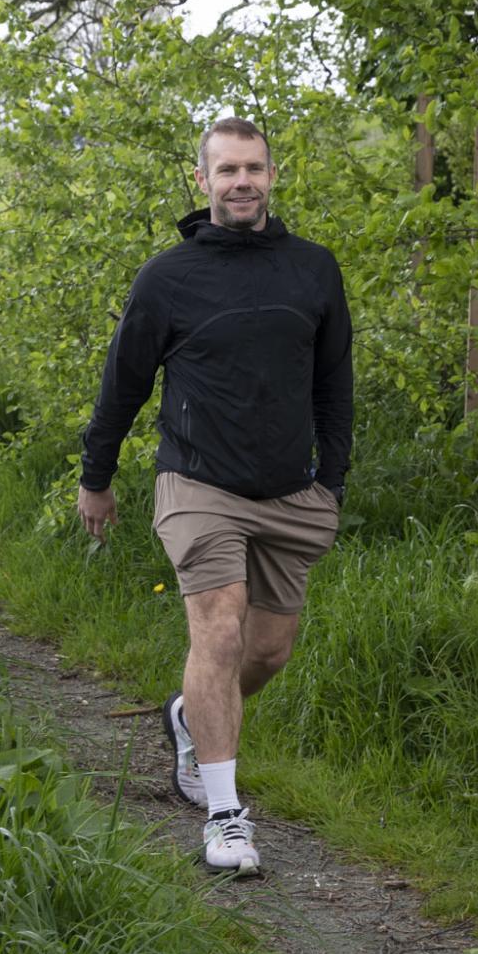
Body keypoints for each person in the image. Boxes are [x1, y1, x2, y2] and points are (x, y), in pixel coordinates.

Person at [75, 115, 353, 876]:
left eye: (254, 169)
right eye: (226, 170)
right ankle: (225, 818)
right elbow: (123, 385)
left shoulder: (314, 269)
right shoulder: (168, 278)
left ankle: (186, 721)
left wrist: (331, 482)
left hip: (291, 491)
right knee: (220, 633)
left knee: (268, 651)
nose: (241, 183)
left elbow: (335, 384)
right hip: (197, 482)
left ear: (272, 176)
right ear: (201, 182)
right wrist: (97, 477)